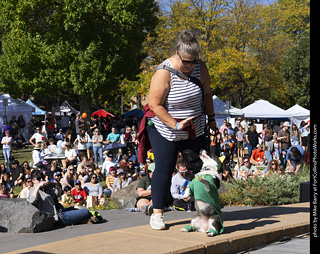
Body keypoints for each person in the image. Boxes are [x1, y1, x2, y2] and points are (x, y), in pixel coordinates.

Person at [146, 30, 217, 230]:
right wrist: (175, 124)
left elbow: (207, 94)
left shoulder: (200, 68)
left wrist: (211, 120)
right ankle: (158, 213)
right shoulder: (163, 72)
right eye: (186, 61)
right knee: (165, 167)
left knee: (202, 170)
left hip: (194, 128)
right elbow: (154, 104)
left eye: (194, 61)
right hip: (166, 128)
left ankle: (206, 213)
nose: (190, 66)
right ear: (177, 53)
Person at [27, 170, 92, 227]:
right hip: (58, 217)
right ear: (33, 180)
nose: (41, 180)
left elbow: (58, 196)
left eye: (42, 178)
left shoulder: (44, 188)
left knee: (78, 208)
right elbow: (31, 201)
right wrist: (38, 186)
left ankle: (79, 219)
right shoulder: (33, 190)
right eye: (39, 179)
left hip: (60, 210)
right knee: (85, 212)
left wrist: (55, 187)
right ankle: (80, 219)